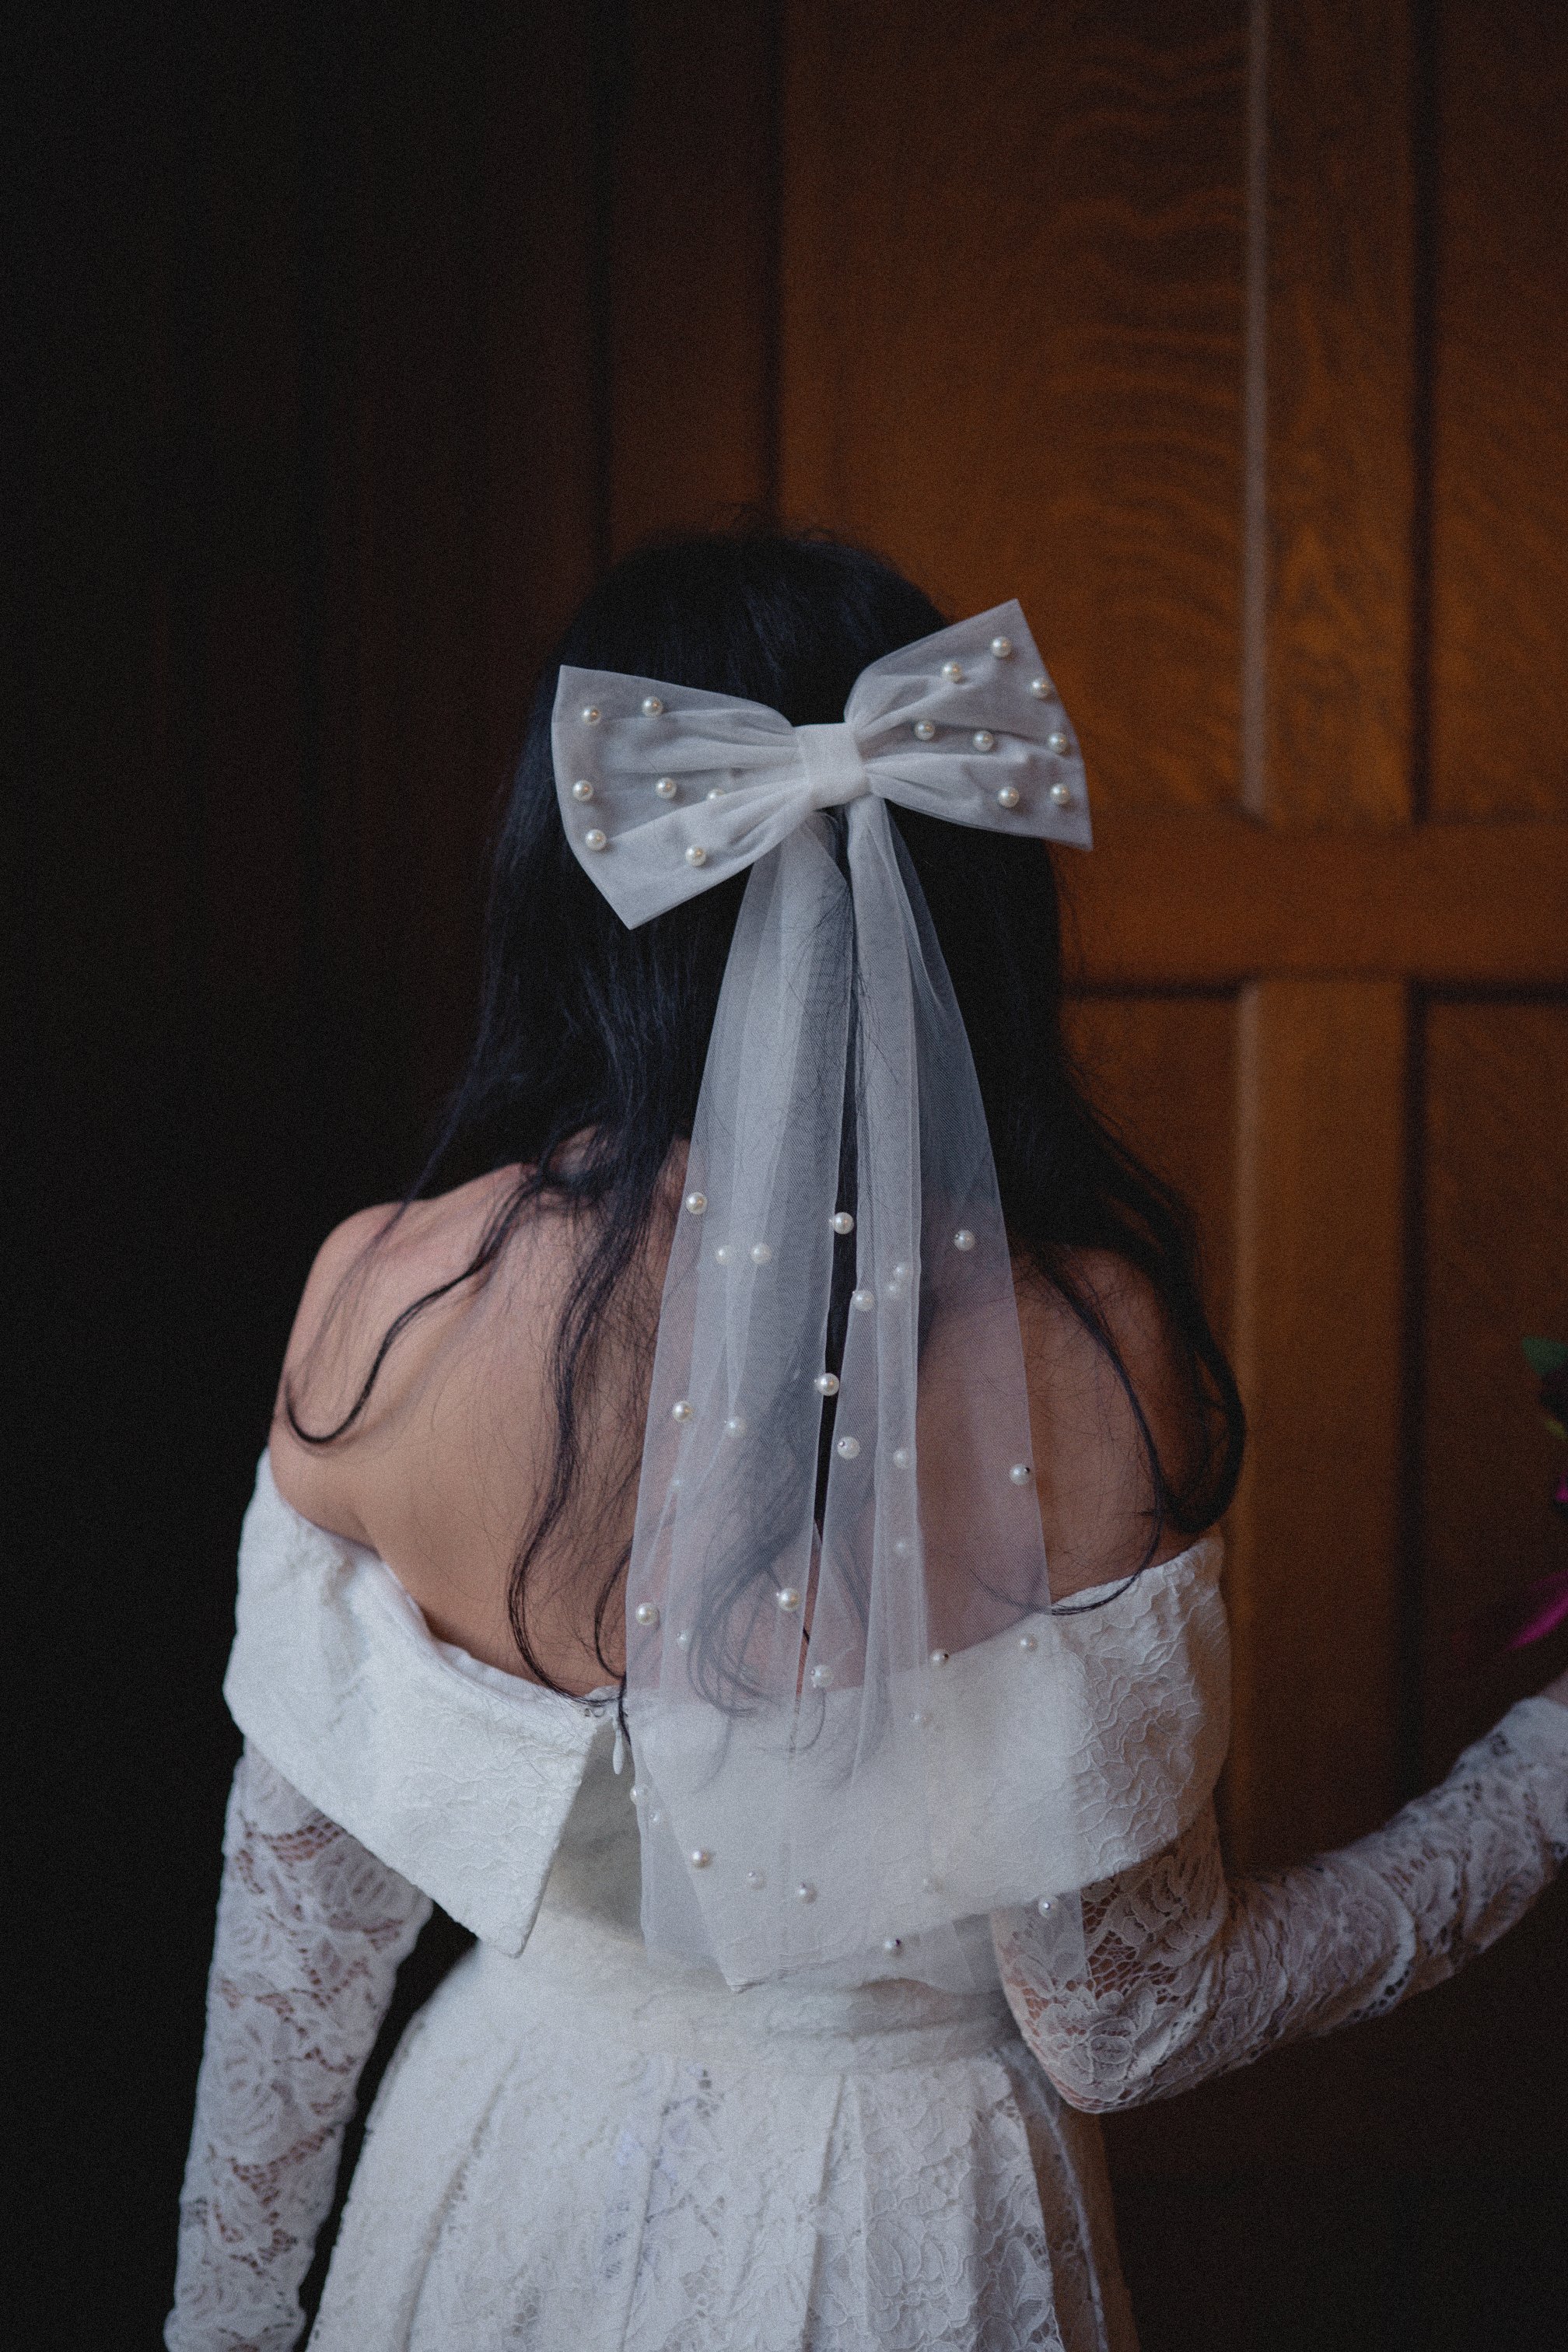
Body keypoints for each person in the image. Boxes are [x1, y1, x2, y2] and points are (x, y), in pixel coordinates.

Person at [167, 529, 1568, 2352]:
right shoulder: (1083, 1355)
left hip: (499, 2183)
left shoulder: (388, 1303)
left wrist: (218, 2331)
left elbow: (302, 1953)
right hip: (922, 2233)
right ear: (963, 897)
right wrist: (1542, 1780)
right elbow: (1124, 2017)